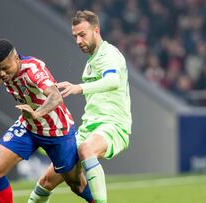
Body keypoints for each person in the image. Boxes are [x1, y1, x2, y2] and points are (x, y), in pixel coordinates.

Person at [0, 39, 92, 203]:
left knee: (76, 184)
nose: (2, 73)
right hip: (28, 127)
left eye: (5, 68)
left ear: (16, 59)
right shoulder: (5, 70)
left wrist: (37, 114)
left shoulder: (33, 70)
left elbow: (56, 97)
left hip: (57, 130)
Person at [28, 10, 132, 203]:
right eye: (75, 36)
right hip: (88, 128)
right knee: (47, 180)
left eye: (82, 34)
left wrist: (78, 88)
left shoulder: (109, 54)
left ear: (96, 30)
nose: (78, 40)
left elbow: (113, 81)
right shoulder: (91, 61)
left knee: (86, 149)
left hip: (114, 126)